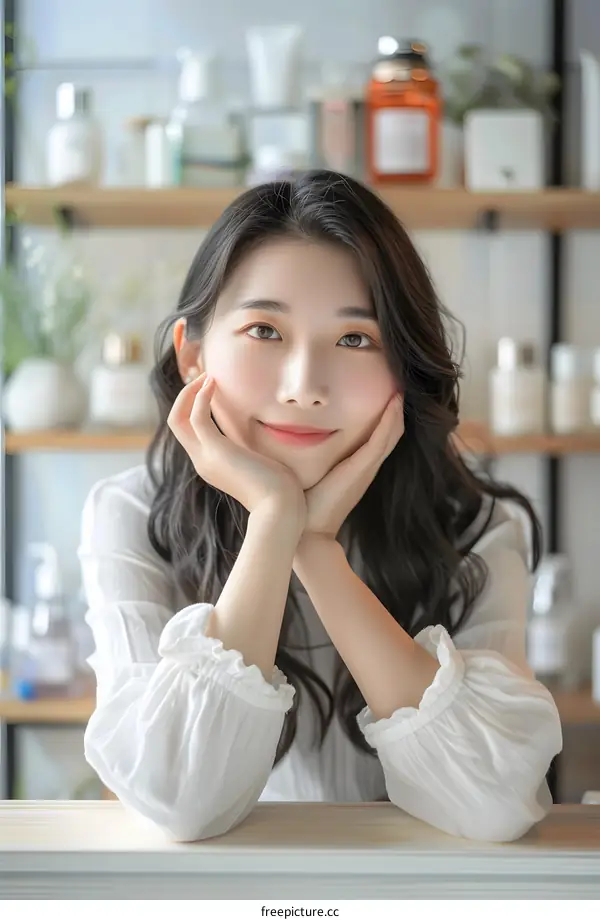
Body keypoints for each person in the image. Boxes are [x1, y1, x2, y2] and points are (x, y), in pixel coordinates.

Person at [80, 170, 562, 843]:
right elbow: (183, 802)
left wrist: (316, 549)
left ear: (404, 366)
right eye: (264, 331)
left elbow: (493, 803)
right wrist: (276, 521)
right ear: (192, 357)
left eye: (355, 339)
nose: (305, 387)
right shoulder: (134, 513)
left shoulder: (474, 527)